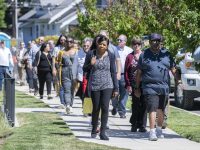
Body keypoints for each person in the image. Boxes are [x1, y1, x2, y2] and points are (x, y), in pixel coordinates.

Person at [135, 33, 176, 141]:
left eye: (157, 41)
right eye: (153, 40)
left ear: (160, 42)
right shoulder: (144, 55)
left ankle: (158, 129)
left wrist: (178, 78)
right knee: (152, 108)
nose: (155, 42)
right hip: (149, 86)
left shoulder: (167, 54)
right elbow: (139, 72)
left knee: (160, 110)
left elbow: (173, 69)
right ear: (149, 42)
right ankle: (152, 132)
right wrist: (137, 87)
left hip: (163, 87)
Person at [83, 35, 118, 140]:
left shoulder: (111, 55)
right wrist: (91, 64)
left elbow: (113, 71)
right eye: (100, 44)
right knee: (96, 108)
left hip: (107, 85)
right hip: (95, 85)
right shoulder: (91, 54)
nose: (102, 46)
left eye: (104, 45)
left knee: (105, 108)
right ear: (97, 44)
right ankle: (94, 129)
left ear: (107, 46)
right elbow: (84, 68)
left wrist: (116, 88)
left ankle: (103, 132)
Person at [124, 37, 147, 132]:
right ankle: (134, 124)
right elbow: (126, 71)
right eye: (134, 44)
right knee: (136, 104)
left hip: (144, 83)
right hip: (134, 84)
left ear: (141, 45)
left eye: (138, 44)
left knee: (144, 104)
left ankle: (142, 125)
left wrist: (140, 60)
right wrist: (128, 84)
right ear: (132, 45)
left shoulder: (145, 55)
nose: (136, 46)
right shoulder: (129, 56)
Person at [57, 36, 76, 114]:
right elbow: (57, 62)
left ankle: (71, 105)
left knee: (72, 90)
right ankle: (67, 105)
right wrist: (58, 66)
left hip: (74, 72)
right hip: (65, 72)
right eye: (67, 41)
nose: (68, 43)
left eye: (70, 42)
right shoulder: (61, 52)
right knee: (66, 89)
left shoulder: (76, 51)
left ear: (73, 43)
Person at [115, 34, 133, 118]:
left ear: (125, 42)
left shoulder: (129, 51)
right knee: (114, 93)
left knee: (124, 94)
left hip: (124, 75)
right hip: (115, 74)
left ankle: (122, 111)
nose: (118, 41)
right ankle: (115, 106)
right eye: (118, 40)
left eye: (120, 40)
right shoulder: (114, 50)